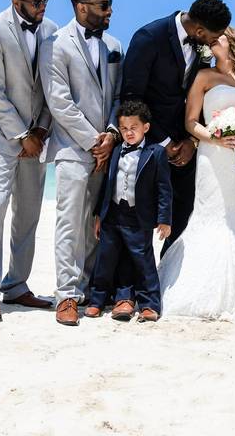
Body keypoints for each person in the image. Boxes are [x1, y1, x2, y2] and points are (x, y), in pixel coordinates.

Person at [158, 28, 235, 322]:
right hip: (212, 157)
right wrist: (213, 136)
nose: (211, 43)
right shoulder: (204, 78)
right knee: (212, 215)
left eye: (217, 39)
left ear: (233, 43)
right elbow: (190, 122)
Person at [0, 0, 58, 321]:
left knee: (29, 215)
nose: (42, 6)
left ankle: (17, 285)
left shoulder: (52, 29)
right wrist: (22, 135)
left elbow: (55, 85)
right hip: (3, 138)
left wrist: (41, 128)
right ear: (16, 1)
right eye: (36, 1)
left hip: (39, 136)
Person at [39, 0, 123, 326]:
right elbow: (58, 100)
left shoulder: (115, 45)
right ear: (81, 7)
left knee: (95, 225)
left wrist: (112, 135)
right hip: (73, 148)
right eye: (104, 5)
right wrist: (93, 140)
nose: (110, 11)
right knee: (70, 223)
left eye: (110, 3)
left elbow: (119, 95)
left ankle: (91, 290)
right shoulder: (55, 44)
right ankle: (66, 295)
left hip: (108, 147)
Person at [121, 0, 232, 253]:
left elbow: (203, 96)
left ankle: (167, 281)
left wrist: (191, 141)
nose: (216, 42)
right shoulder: (149, 37)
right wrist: (163, 141)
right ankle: (133, 287)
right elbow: (132, 97)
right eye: (213, 37)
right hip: (148, 145)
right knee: (139, 218)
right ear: (200, 30)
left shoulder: (202, 44)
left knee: (181, 215)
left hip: (186, 144)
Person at [86, 100, 172, 323]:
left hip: (138, 217)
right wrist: (98, 214)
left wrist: (164, 219)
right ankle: (97, 301)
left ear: (146, 127)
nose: (128, 132)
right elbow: (107, 185)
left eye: (133, 127)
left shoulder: (156, 153)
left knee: (143, 261)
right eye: (124, 128)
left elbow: (164, 189)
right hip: (112, 215)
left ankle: (149, 304)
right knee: (106, 258)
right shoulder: (115, 151)